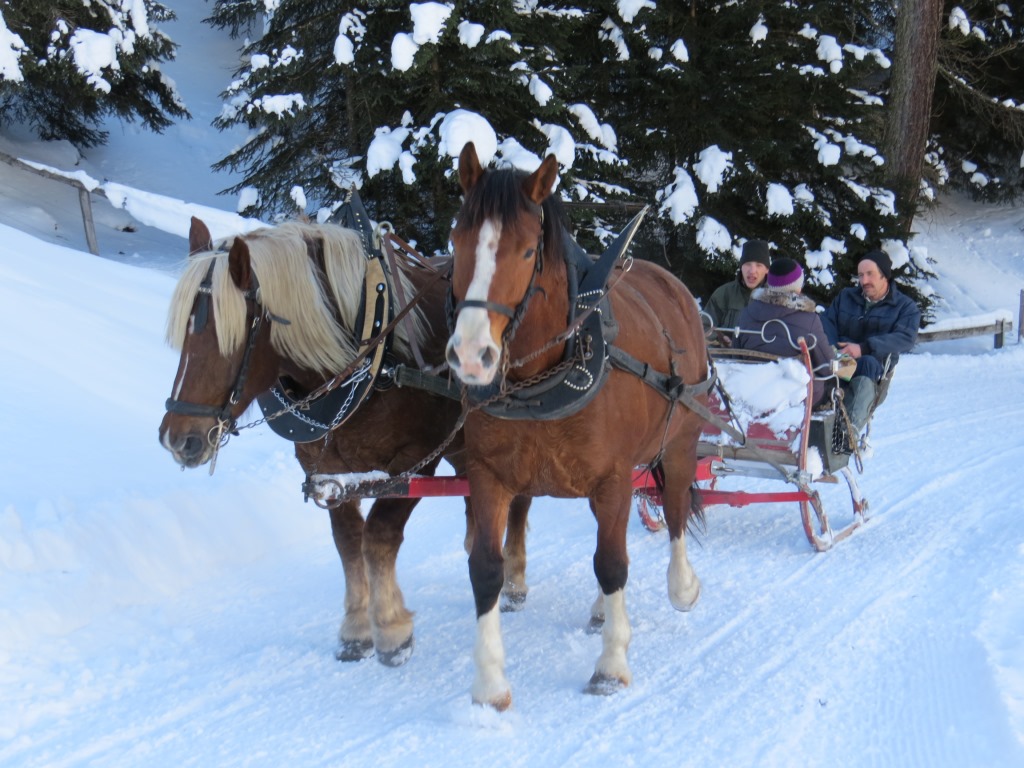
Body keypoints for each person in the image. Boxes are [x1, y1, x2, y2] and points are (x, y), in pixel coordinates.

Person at [822, 249, 920, 431]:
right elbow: (826, 322)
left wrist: (864, 347)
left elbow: (906, 337)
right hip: (839, 362)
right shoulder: (846, 297)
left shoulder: (904, 307)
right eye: (860, 275)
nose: (864, 281)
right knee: (813, 359)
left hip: (873, 371)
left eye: (870, 274)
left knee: (867, 362)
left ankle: (848, 431)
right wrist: (835, 348)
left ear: (885, 276)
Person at [735, 257, 833, 405]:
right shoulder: (809, 320)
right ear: (797, 286)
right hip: (793, 395)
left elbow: (736, 356)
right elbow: (827, 366)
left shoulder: (746, 314)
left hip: (751, 390)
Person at [705, 239, 770, 340]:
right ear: (741, 267)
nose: (752, 271)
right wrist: (719, 339)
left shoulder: (777, 298)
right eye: (748, 264)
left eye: (758, 265)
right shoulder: (723, 294)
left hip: (761, 355)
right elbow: (703, 327)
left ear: (767, 270)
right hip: (725, 355)